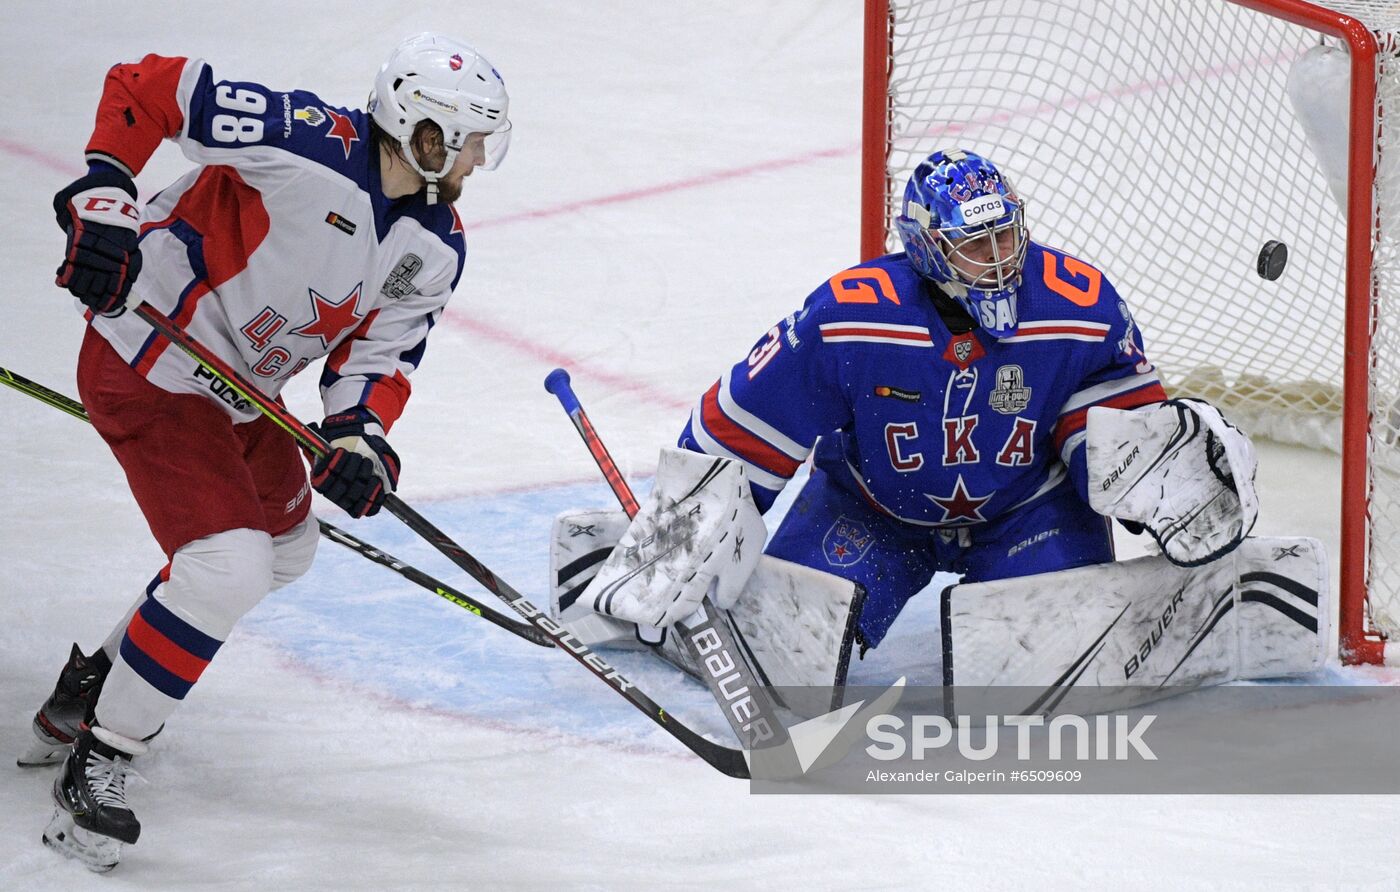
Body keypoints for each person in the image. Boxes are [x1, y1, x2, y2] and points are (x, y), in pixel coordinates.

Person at [25, 32, 511, 871]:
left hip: (242, 395)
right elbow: (152, 87)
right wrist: (106, 192)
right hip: (151, 358)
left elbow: (379, 356)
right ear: (424, 133)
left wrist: (359, 434)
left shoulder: (435, 246)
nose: (477, 157)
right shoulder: (309, 144)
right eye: (468, 138)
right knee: (227, 566)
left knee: (287, 551)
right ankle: (99, 762)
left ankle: (96, 685)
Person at [674, 148, 1174, 651]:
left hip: (1028, 511)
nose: (1000, 259)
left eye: (1004, 235)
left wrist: (1166, 483)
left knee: (1053, 654)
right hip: (872, 510)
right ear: (928, 248)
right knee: (786, 645)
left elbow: (1117, 421)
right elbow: (748, 422)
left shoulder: (1078, 305)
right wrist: (681, 534)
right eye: (975, 245)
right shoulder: (851, 318)